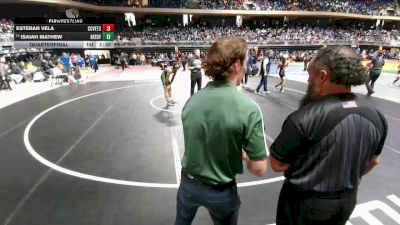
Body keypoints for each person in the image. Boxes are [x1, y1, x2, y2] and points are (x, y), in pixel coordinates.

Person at [269, 46, 388, 225]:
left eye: (310, 75)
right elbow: (374, 161)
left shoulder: (302, 119)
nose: (308, 80)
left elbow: (277, 164)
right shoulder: (377, 117)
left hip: (304, 204)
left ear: (323, 76)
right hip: (346, 200)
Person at [175, 37, 269, 225]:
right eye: (246, 60)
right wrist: (244, 156)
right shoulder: (248, 108)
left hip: (187, 184)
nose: (247, 65)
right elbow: (259, 169)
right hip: (220, 191)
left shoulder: (192, 101)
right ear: (236, 65)